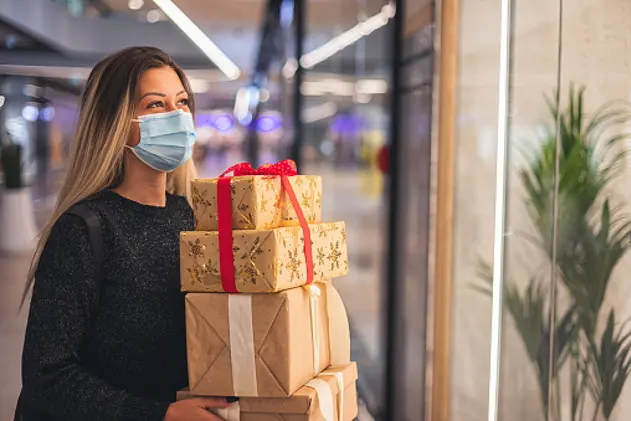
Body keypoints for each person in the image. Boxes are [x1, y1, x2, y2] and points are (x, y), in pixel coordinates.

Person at [18, 47, 234, 421]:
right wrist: (158, 414)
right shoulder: (84, 229)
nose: (177, 116)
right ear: (115, 121)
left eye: (182, 102)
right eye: (155, 104)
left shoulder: (196, 220)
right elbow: (47, 376)